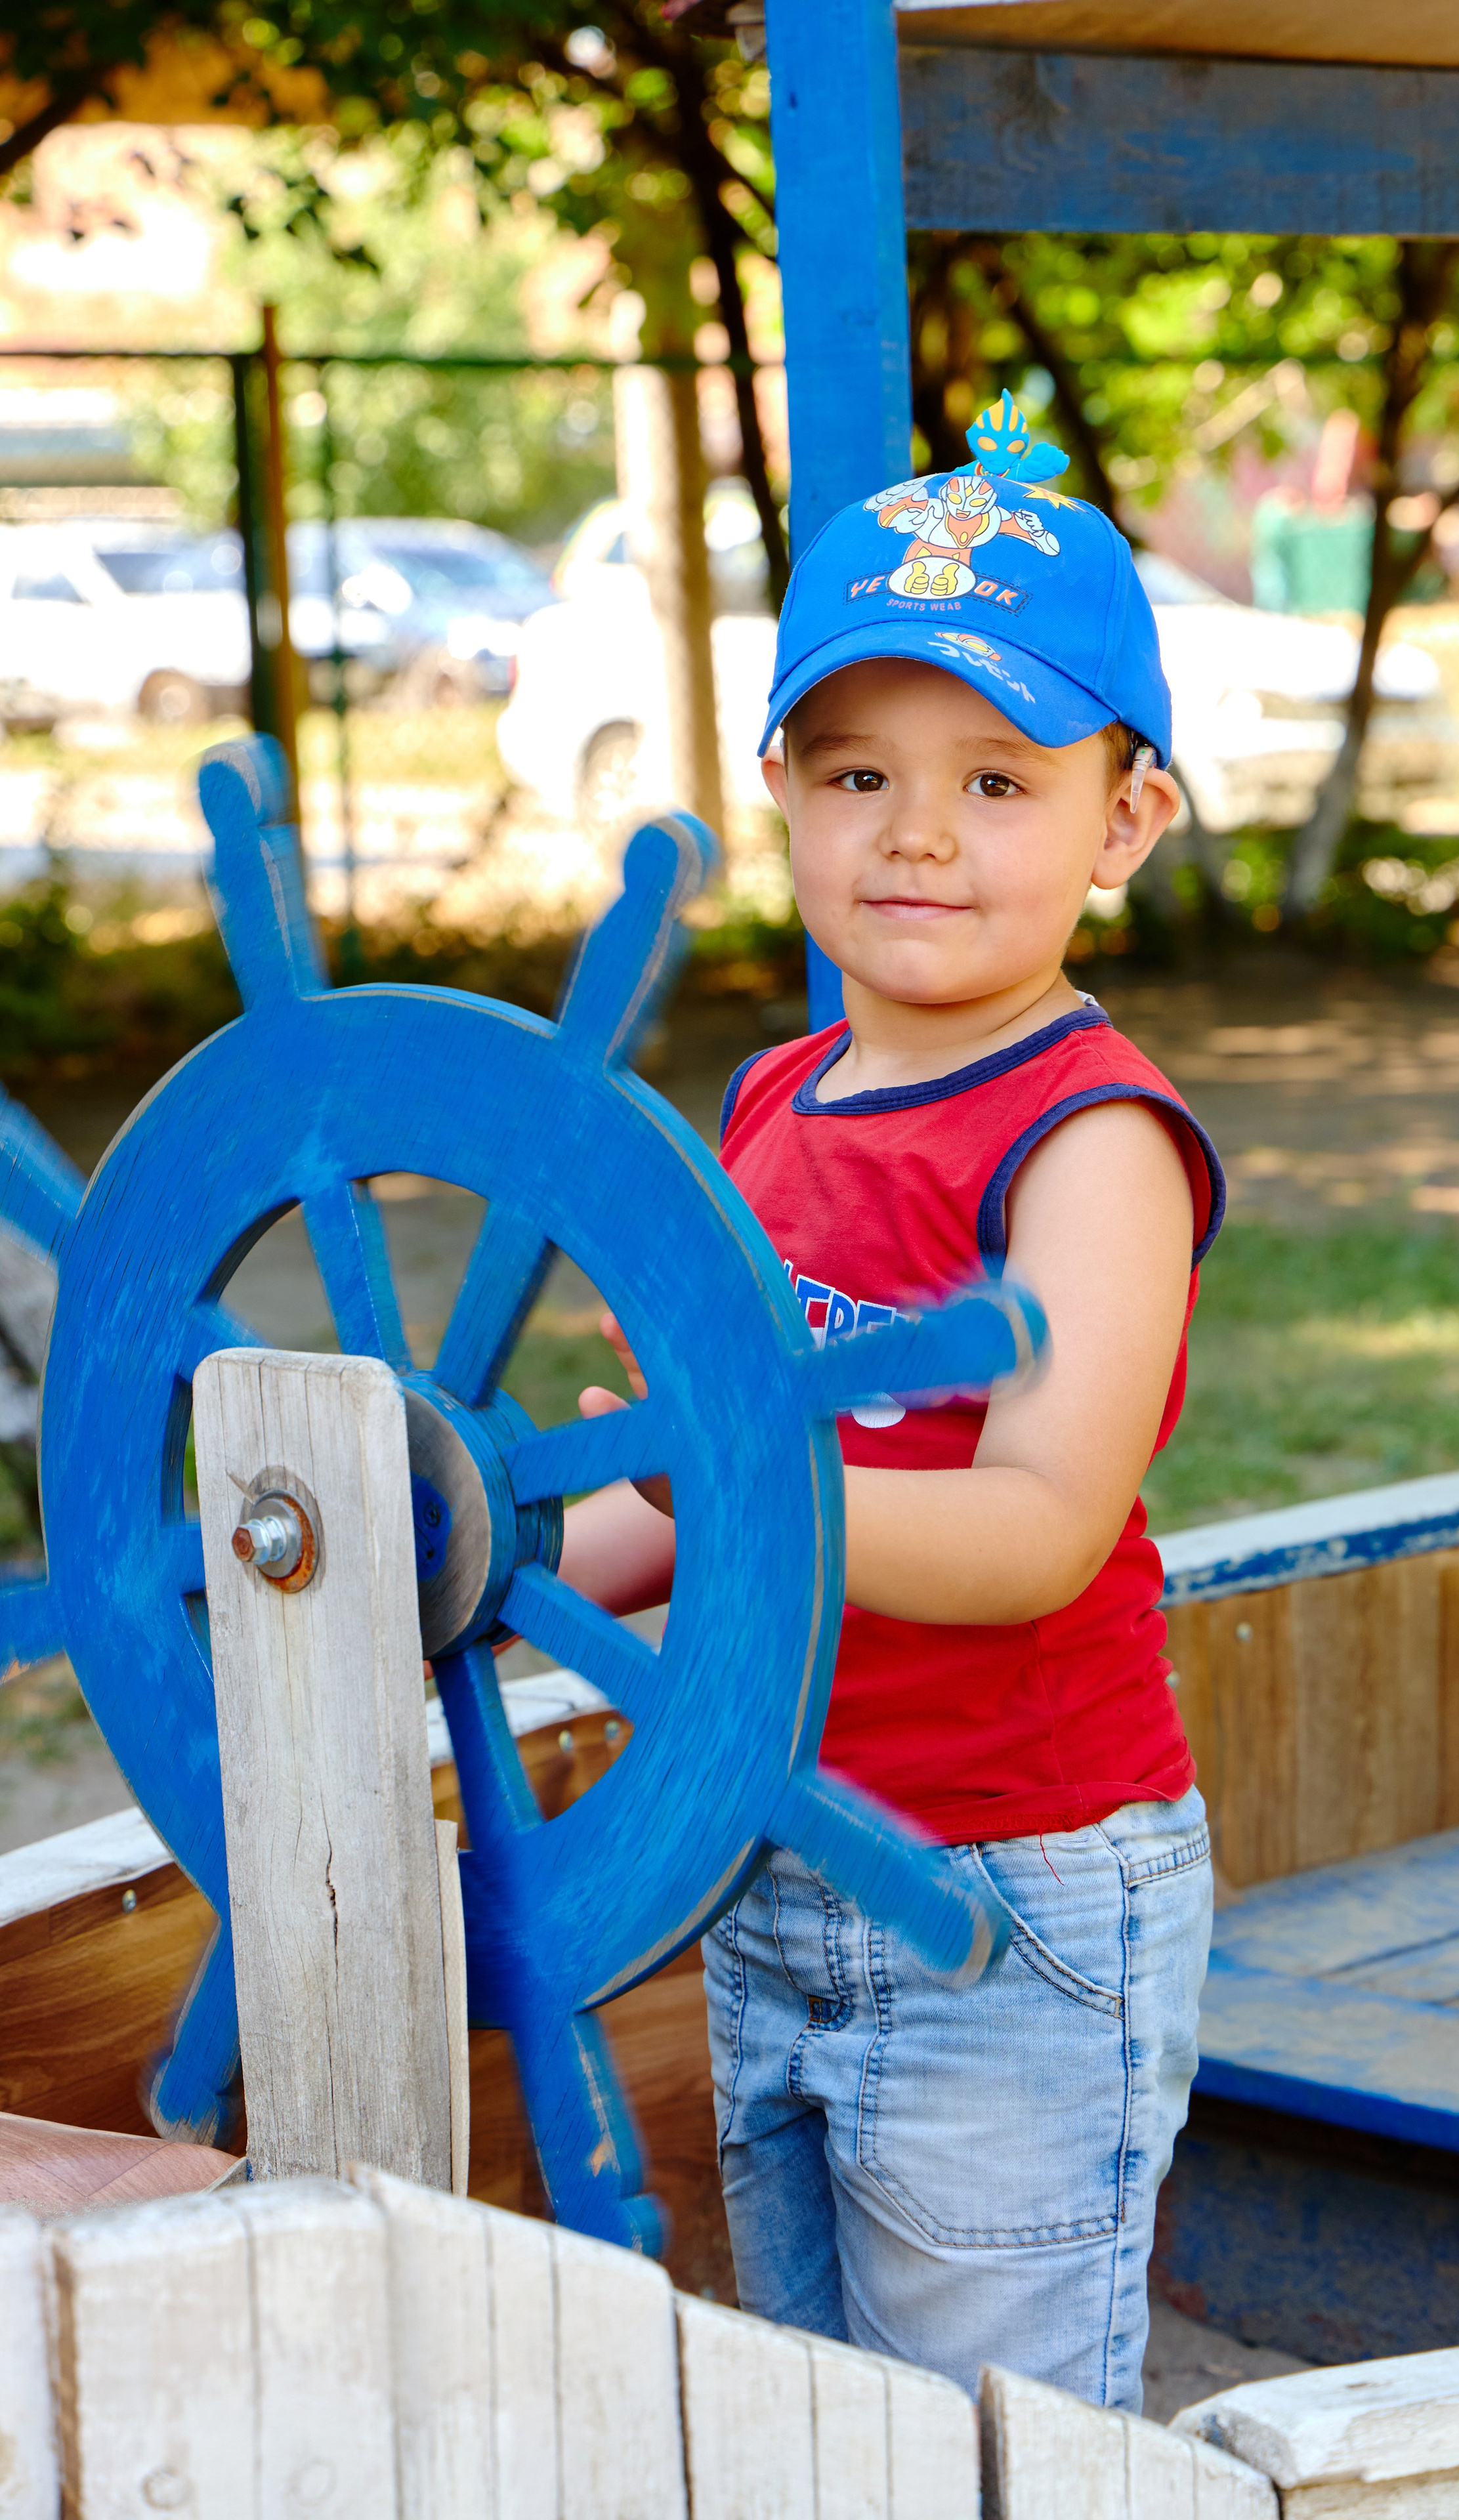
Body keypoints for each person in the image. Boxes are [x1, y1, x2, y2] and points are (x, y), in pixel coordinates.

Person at [559, 390, 1224, 2410]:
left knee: (998, 2437)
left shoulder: (1090, 1141)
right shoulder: (771, 1105)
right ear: (782, 791)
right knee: (825, 2414)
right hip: (775, 1854)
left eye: (1000, 781)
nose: (917, 831)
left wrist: (736, 1475)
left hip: (1009, 1903)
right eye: (858, 770)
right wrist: (483, 1529)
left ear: (1125, 821)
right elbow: (676, 1482)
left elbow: (1030, 1535)